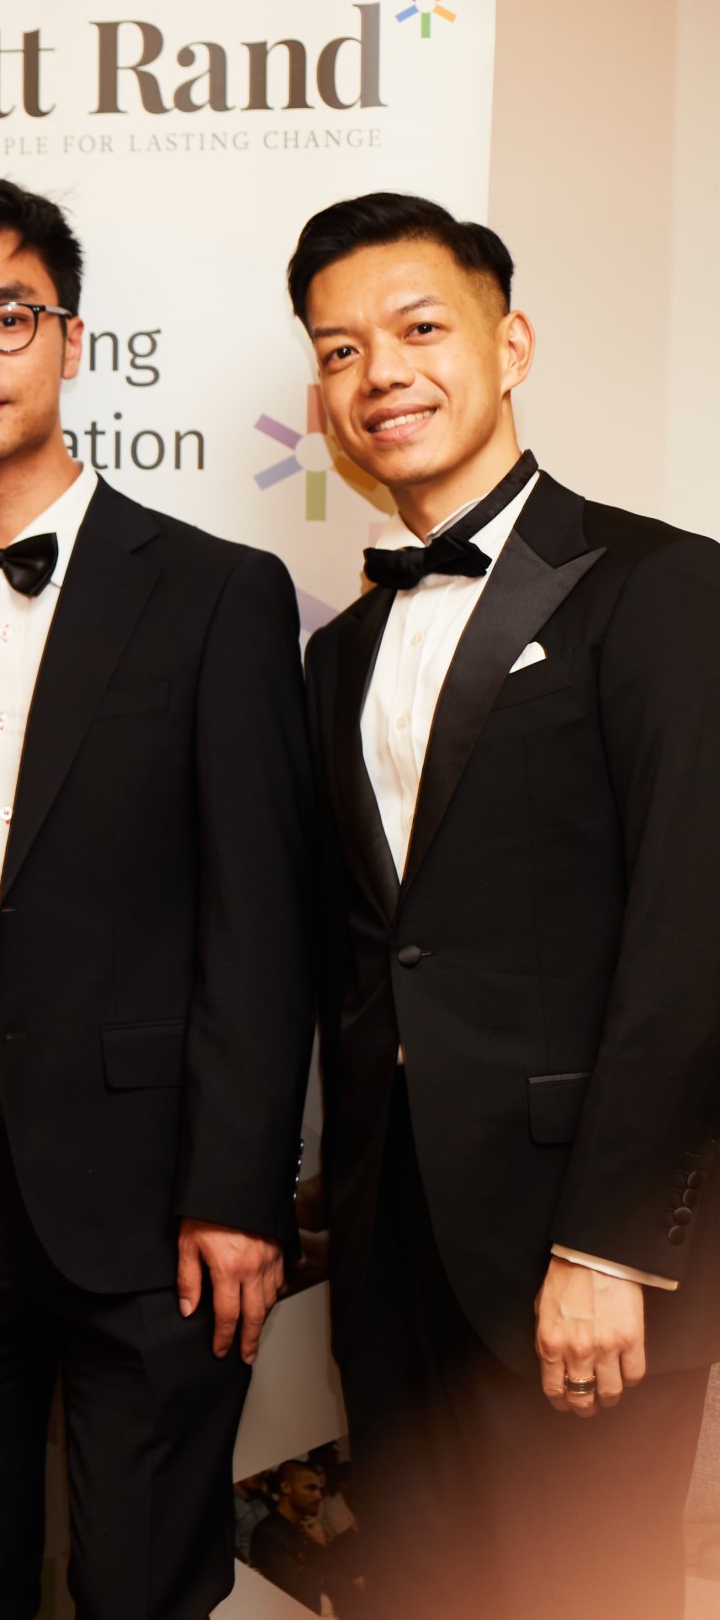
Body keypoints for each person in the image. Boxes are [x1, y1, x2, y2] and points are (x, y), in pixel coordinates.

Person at [0, 172, 318, 1620]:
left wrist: (237, 1190)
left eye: (7, 316)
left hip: (155, 1188)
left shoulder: (221, 594)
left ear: (72, 339)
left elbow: (263, 918)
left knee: (142, 1583)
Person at [292, 192, 720, 1620]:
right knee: (410, 1589)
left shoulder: (662, 586)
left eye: (420, 329)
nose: (383, 374)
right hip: (393, 1233)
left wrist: (610, 1244)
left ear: (511, 341)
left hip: (577, 1238)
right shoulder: (341, 650)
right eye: (341, 349)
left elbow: (691, 932)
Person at [247, 1461, 345, 1614]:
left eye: (320, 1489)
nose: (319, 1496)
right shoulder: (267, 1534)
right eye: (310, 1488)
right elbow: (300, 1591)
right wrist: (318, 1546)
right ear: (286, 1487)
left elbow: (338, 1579)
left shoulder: (307, 1528)